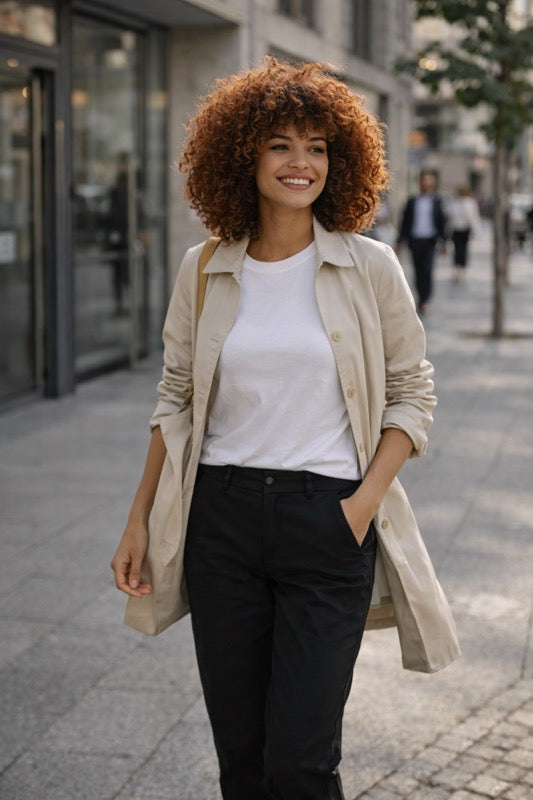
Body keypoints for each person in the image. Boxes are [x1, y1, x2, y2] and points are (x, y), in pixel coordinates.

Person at [111, 58, 453, 800]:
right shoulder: (202, 269)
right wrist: (138, 517)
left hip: (325, 523)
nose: (302, 163)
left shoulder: (369, 267)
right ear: (241, 155)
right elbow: (175, 398)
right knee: (241, 757)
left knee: (299, 763)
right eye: (280, 144)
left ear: (341, 161)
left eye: (318, 146)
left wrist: (359, 505)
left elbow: (410, 390)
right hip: (221, 522)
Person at [396, 169, 446, 315]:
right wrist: (400, 241)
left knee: (427, 270)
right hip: (415, 240)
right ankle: (420, 297)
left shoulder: (436, 201)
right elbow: (404, 222)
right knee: (417, 271)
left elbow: (442, 222)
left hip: (430, 241)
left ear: (432, 183)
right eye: (423, 181)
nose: (425, 184)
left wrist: (443, 242)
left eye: (428, 181)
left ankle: (425, 299)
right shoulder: (412, 201)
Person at [447, 185, 481, 281]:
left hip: (465, 229)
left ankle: (462, 269)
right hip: (456, 229)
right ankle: (456, 269)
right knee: (457, 249)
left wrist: (476, 231)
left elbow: (473, 217)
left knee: (463, 250)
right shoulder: (454, 202)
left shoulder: (469, 202)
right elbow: (449, 215)